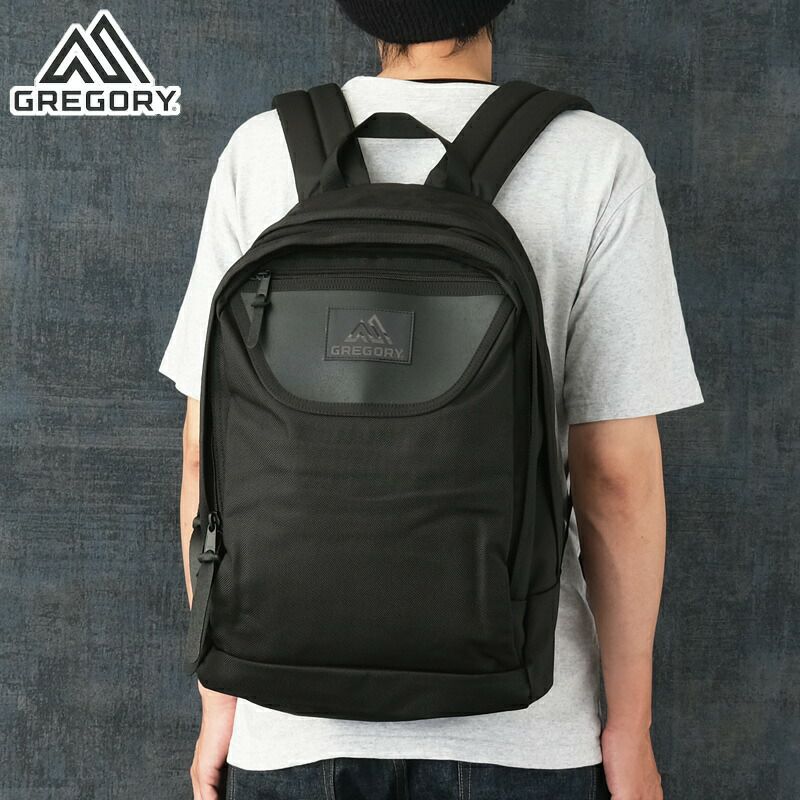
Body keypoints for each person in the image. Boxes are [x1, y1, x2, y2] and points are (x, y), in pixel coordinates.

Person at [159, 1, 704, 798]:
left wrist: (220, 705)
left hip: (286, 721)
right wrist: (630, 729)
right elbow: (616, 480)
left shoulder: (260, 149)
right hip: (525, 727)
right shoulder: (596, 157)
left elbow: (203, 454)